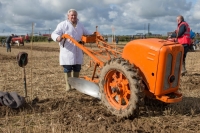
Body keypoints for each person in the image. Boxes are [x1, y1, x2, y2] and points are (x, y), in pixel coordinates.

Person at [51, 9, 92, 91]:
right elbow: (54, 33)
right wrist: (57, 37)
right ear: (68, 16)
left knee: (77, 68)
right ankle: (68, 86)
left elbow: (86, 32)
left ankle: (75, 86)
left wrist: (94, 34)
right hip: (68, 50)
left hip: (78, 49)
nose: (73, 17)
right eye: (72, 15)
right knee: (67, 68)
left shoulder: (80, 25)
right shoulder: (63, 24)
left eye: (75, 15)